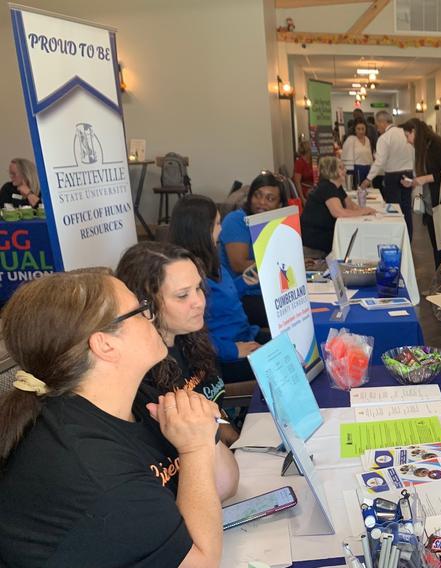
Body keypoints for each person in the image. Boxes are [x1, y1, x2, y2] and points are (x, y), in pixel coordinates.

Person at [0, 269, 238, 567]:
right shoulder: (90, 468)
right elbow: (201, 562)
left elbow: (225, 485)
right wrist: (196, 449)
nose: (151, 316)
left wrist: (204, 434)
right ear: (105, 345)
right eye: (139, 311)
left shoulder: (137, 398)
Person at [117, 241, 240, 446]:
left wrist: (238, 442)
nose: (199, 301)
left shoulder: (191, 337)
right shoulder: (140, 375)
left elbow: (217, 412)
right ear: (145, 304)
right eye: (182, 295)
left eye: (198, 288)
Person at [170, 195, 268, 383]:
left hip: (244, 335)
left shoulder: (211, 259)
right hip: (223, 355)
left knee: (292, 346)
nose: (221, 230)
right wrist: (234, 350)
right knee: (287, 362)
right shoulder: (187, 276)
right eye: (216, 224)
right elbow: (192, 337)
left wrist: (242, 283)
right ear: (201, 230)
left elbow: (221, 300)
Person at [219, 172, 288, 327]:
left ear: (280, 205)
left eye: (270, 198)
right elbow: (239, 265)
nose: (261, 202)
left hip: (270, 290)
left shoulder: (276, 222)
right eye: (257, 195)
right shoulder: (237, 220)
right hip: (242, 295)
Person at [400, 118, 441, 267]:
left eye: (407, 136)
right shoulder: (426, 149)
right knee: (437, 248)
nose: (407, 141)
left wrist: (423, 179)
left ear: (414, 132)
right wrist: (416, 181)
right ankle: (439, 282)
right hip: (432, 207)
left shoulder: (437, 147)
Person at [301, 156, 376, 259]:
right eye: (341, 168)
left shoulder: (336, 186)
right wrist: (364, 211)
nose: (345, 171)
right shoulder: (326, 187)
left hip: (323, 236)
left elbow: (351, 206)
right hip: (315, 242)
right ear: (331, 171)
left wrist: (365, 210)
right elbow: (338, 212)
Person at [360, 110, 416, 239]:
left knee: (394, 210)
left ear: (382, 122)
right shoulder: (406, 134)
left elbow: (379, 161)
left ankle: (396, 238)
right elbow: (414, 156)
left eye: (377, 124)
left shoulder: (385, 138)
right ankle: (408, 239)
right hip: (408, 174)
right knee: (407, 209)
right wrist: (414, 176)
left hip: (393, 177)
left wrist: (368, 179)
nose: (376, 127)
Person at [342, 118, 374, 187]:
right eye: (358, 129)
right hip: (356, 170)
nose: (361, 131)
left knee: (368, 192)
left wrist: (372, 170)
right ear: (354, 129)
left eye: (363, 129)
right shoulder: (351, 140)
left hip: (367, 170)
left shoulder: (367, 139)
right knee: (358, 190)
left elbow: (370, 157)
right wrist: (350, 174)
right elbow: (347, 158)